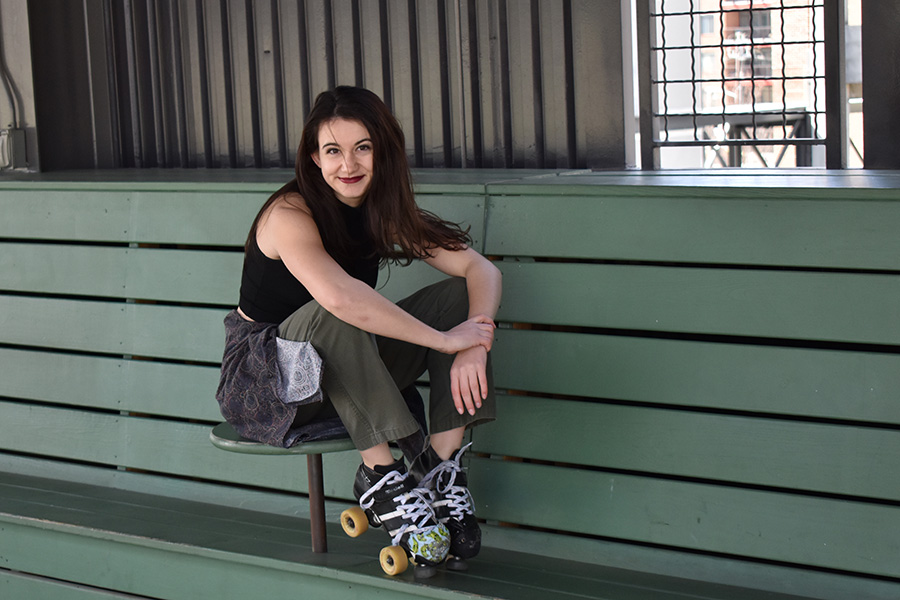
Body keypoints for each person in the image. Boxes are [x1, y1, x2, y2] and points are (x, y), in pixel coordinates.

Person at [215, 86, 502, 575]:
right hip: (266, 383)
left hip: (345, 365)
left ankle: (437, 469)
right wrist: (445, 341)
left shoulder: (379, 212)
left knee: (458, 300)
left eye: (362, 147)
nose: (348, 164)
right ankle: (382, 477)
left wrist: (474, 343)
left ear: (381, 152)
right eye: (333, 150)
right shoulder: (289, 215)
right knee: (338, 311)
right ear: (314, 157)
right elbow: (341, 300)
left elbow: (482, 271)